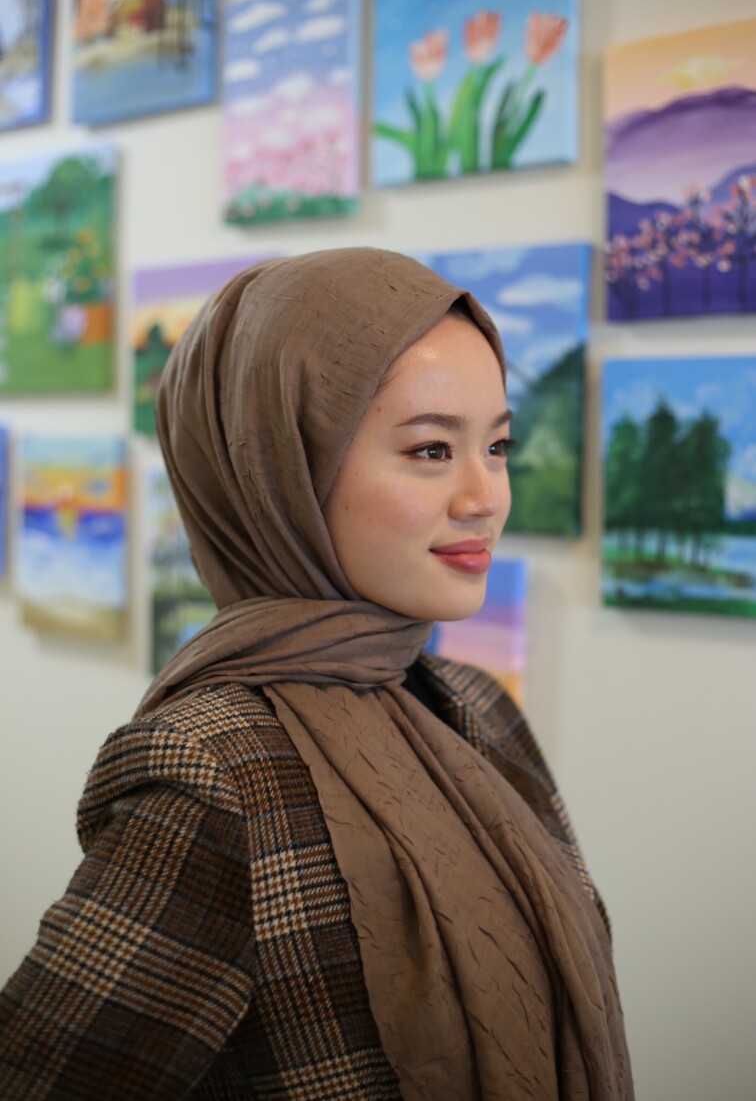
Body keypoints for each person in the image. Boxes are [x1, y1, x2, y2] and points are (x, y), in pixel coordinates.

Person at [0, 248, 633, 1099]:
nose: (485, 495)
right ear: (282, 468)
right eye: (431, 449)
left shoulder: (477, 707)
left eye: (497, 444)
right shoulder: (211, 772)